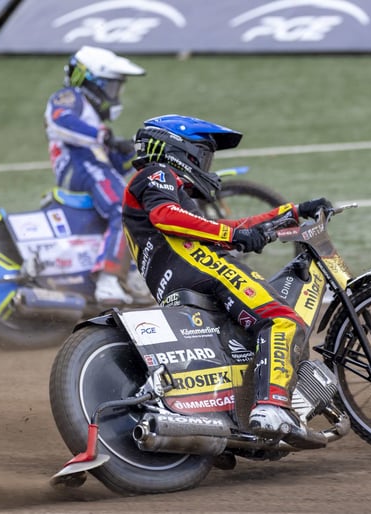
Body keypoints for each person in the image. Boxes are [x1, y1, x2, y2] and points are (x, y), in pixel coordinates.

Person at [122, 114, 332, 444]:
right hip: (201, 266)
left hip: (178, 279)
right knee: (282, 320)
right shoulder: (157, 174)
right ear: (179, 151)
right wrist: (231, 236)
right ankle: (272, 406)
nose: (207, 165)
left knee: (247, 336)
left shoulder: (171, 193)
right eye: (203, 155)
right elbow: (167, 217)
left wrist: (290, 212)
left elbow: (234, 227)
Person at [44, 45, 148, 305]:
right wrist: (104, 137)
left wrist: (138, 152)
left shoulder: (95, 123)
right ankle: (109, 280)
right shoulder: (70, 97)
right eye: (112, 86)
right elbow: (60, 119)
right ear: (91, 81)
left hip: (91, 165)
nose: (115, 95)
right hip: (78, 165)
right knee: (125, 209)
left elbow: (114, 162)